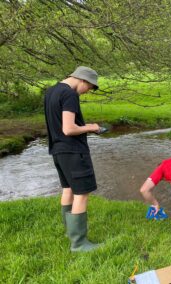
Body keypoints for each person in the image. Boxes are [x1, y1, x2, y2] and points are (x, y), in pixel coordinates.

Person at [44, 66, 102, 252]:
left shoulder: (51, 91)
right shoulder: (69, 94)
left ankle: (70, 232)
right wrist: (91, 127)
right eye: (90, 88)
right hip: (73, 151)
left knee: (67, 189)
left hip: (58, 151)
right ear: (83, 80)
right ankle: (79, 243)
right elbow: (68, 129)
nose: (87, 92)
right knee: (82, 193)